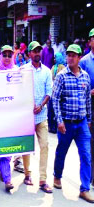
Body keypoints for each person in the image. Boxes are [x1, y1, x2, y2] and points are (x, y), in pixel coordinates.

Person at [52, 44, 94, 203]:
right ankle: (57, 176)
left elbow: (87, 100)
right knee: (61, 152)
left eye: (73, 55)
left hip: (82, 123)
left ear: (78, 58)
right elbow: (55, 99)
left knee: (86, 154)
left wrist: (89, 119)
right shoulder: (62, 76)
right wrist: (59, 121)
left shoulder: (85, 77)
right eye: (68, 55)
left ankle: (84, 189)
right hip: (66, 124)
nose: (70, 57)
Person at [20, 41, 53, 193]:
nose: (37, 53)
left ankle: (43, 179)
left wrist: (41, 105)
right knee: (27, 146)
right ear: (29, 54)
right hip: (26, 116)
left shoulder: (46, 71)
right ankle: (27, 174)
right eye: (34, 51)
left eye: (39, 51)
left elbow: (49, 92)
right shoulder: (23, 70)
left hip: (42, 116)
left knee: (44, 146)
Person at [0, 45, 18, 192]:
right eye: (5, 55)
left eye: (10, 55)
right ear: (1, 56)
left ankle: (4, 170)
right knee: (4, 147)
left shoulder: (17, 72)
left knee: (9, 147)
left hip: (13, 115)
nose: (8, 57)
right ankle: (8, 179)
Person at [79, 28, 94, 187]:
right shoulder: (84, 61)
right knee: (88, 144)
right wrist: (89, 92)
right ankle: (89, 177)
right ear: (89, 41)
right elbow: (79, 87)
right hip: (89, 107)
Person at [48, 52, 66, 133]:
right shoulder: (53, 67)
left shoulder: (63, 67)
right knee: (51, 110)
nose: (54, 59)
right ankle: (51, 127)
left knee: (57, 110)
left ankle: (55, 127)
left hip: (59, 92)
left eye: (56, 58)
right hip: (52, 89)